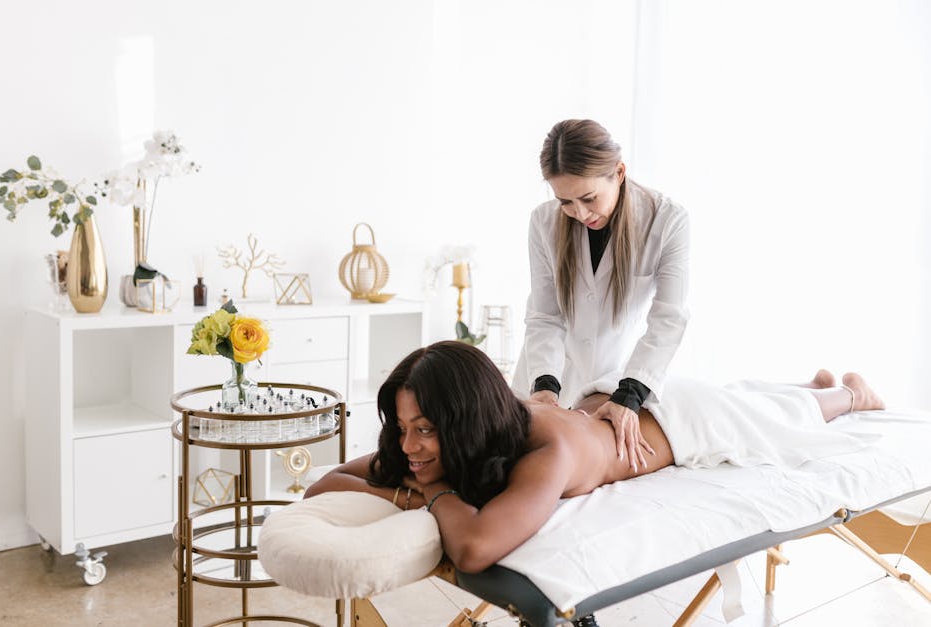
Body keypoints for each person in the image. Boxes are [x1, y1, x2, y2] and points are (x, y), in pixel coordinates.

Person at [306, 341, 885, 626]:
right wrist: (407, 487)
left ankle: (844, 393)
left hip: (679, 423)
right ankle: (807, 383)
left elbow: (474, 546)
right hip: (603, 397)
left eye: (424, 430)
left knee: (777, 420)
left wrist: (429, 493)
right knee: (754, 399)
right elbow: (325, 483)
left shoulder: (546, 452)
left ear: (461, 421)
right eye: (403, 429)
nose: (407, 448)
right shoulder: (445, 442)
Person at [511, 119, 691, 475]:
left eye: (589, 198)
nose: (579, 213)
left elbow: (668, 319)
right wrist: (545, 384)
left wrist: (629, 396)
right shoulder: (543, 222)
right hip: (542, 381)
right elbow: (545, 316)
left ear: (619, 173)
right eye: (565, 201)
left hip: (616, 381)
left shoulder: (667, 220)